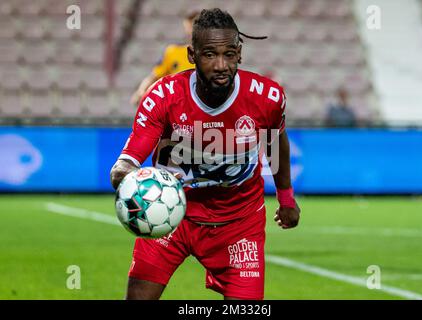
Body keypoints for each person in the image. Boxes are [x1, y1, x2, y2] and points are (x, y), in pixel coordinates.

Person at [110, 8, 301, 300]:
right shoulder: (164, 96)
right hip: (171, 217)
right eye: (210, 54)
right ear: (192, 55)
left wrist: (286, 197)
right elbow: (133, 152)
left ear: (240, 54)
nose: (221, 65)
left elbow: (276, 142)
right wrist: (124, 172)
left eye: (229, 54)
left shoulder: (267, 98)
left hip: (240, 224)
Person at [129, 11, 198, 106]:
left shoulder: (212, 54)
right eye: (189, 27)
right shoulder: (173, 51)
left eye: (194, 27)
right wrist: (141, 91)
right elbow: (154, 76)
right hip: (179, 106)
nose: (191, 31)